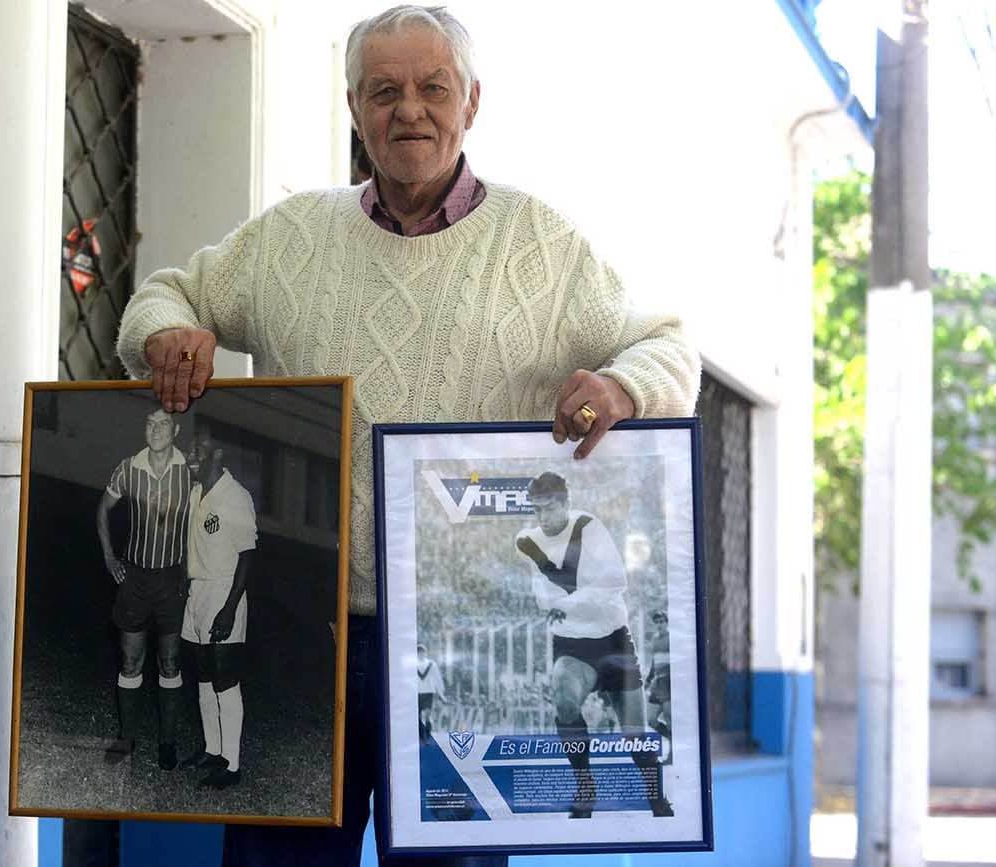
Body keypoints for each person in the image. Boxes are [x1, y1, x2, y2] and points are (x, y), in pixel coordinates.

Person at [116, 5, 699, 862]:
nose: (410, 110)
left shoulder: (542, 244)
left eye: (433, 88)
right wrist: (169, 333)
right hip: (302, 632)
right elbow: (162, 296)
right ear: (353, 106)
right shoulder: (290, 237)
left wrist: (620, 385)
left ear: (472, 101)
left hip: (459, 647)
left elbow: (668, 343)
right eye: (385, 90)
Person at [514, 471, 672, 818]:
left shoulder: (588, 526)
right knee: (563, 697)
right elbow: (543, 599)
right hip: (572, 646)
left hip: (613, 641)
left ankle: (656, 798)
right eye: (538, 510)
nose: (545, 518)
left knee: (634, 734)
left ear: (566, 504)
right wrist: (584, 594)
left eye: (551, 508)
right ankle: (585, 786)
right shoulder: (526, 540)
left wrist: (569, 601)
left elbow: (615, 581)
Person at [96, 408, 191, 771]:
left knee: (169, 664)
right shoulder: (128, 468)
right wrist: (109, 557)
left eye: (163, 423)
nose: (156, 430)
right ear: (144, 428)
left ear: (175, 430)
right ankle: (127, 737)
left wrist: (193, 571)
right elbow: (101, 509)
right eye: (150, 423)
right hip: (134, 579)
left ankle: (167, 742)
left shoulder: (190, 473)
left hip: (170, 581)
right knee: (131, 661)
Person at [178, 425, 258, 789]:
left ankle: (233, 764)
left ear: (219, 453)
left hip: (225, 592)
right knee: (204, 676)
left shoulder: (235, 497)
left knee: (225, 680)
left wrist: (229, 609)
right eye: (191, 448)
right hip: (197, 593)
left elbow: (247, 558)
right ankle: (213, 749)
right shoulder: (197, 491)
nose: (193, 453)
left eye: (201, 447)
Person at [416, 643, 446, 743]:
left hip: (428, 692)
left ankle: (427, 735)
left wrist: (441, 693)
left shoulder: (431, 664)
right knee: (419, 716)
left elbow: (437, 679)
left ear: (425, 653)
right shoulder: (413, 664)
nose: (421, 653)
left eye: (422, 651)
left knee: (427, 715)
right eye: (419, 651)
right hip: (418, 693)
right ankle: (422, 736)